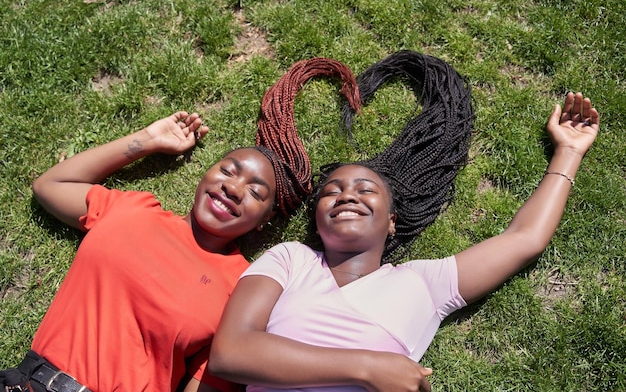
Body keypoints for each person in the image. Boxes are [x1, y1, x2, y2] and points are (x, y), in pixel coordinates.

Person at [208, 51, 600, 392]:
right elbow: (231, 352)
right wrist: (368, 367)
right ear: (316, 218)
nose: (347, 194)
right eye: (332, 191)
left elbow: (525, 238)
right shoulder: (289, 259)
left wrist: (568, 151)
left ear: (392, 222)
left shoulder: (423, 285)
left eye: (365, 190)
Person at [0, 58, 361, 392]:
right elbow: (50, 186)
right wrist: (147, 140)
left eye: (255, 191)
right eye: (227, 171)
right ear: (206, 174)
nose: (232, 188)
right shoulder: (134, 208)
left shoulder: (241, 289)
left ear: (265, 219)